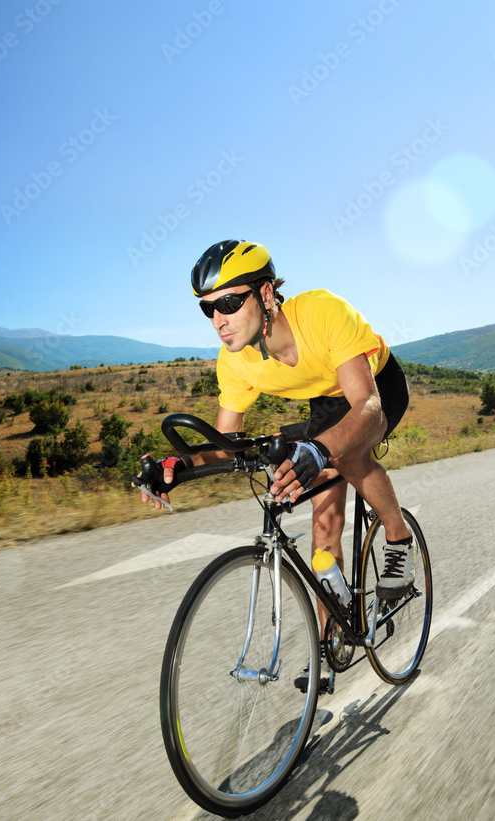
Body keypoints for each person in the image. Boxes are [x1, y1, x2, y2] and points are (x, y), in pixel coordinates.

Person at [140, 240, 414, 688]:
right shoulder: (235, 361)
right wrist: (178, 467)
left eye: (229, 302)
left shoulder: (323, 312)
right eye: (207, 310)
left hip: (374, 386)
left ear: (267, 294)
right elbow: (225, 444)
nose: (219, 320)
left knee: (344, 456)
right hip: (325, 402)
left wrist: (320, 450)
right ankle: (330, 644)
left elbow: (367, 406)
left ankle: (398, 538)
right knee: (323, 523)